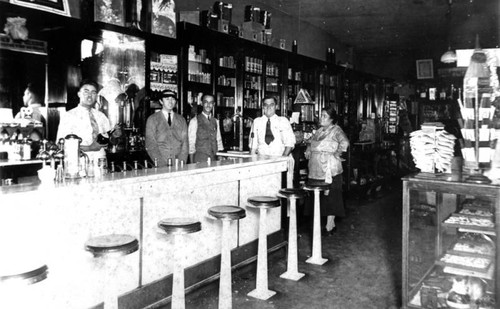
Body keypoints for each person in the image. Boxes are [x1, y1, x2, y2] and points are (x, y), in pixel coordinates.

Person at [304, 106, 349, 236]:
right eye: (321, 115)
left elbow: (345, 143)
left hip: (329, 169)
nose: (321, 118)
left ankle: (330, 224)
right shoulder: (318, 131)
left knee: (331, 197)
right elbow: (310, 142)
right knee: (318, 197)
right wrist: (308, 149)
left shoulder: (336, 130)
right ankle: (319, 224)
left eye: (324, 116)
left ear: (332, 119)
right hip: (315, 168)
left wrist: (336, 154)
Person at [145, 90, 188, 166]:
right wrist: (161, 164)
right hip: (160, 164)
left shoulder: (181, 120)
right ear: (161, 101)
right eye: (167, 99)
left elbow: (185, 144)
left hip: (178, 164)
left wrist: (182, 162)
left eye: (173, 99)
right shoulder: (152, 119)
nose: (170, 102)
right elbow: (151, 144)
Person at [188, 94, 223, 163]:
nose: (208, 105)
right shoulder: (195, 121)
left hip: (213, 159)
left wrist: (219, 158)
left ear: (214, 104)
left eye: (211, 102)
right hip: (199, 159)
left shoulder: (215, 121)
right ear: (201, 103)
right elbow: (191, 144)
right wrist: (192, 164)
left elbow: (218, 141)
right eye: (206, 102)